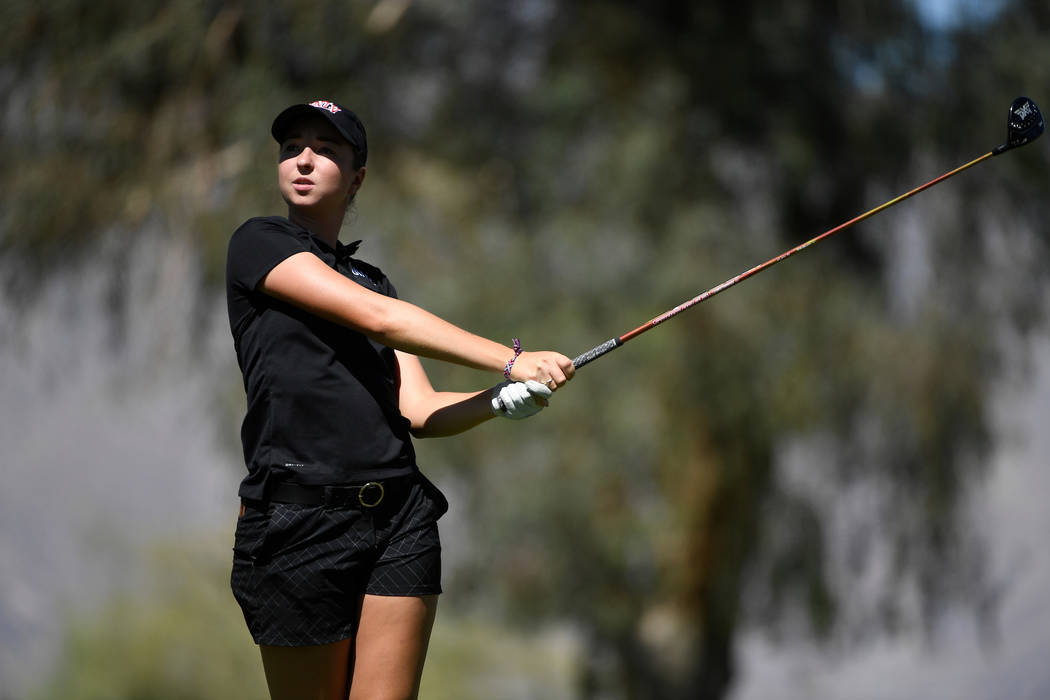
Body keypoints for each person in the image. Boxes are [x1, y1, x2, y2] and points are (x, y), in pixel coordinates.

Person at [225, 99, 574, 699]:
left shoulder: (374, 280)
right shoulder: (259, 243)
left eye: (326, 150)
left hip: (398, 517)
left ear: (356, 178)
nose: (304, 160)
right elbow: (380, 321)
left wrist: (499, 397)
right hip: (297, 519)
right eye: (292, 148)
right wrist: (513, 357)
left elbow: (417, 409)